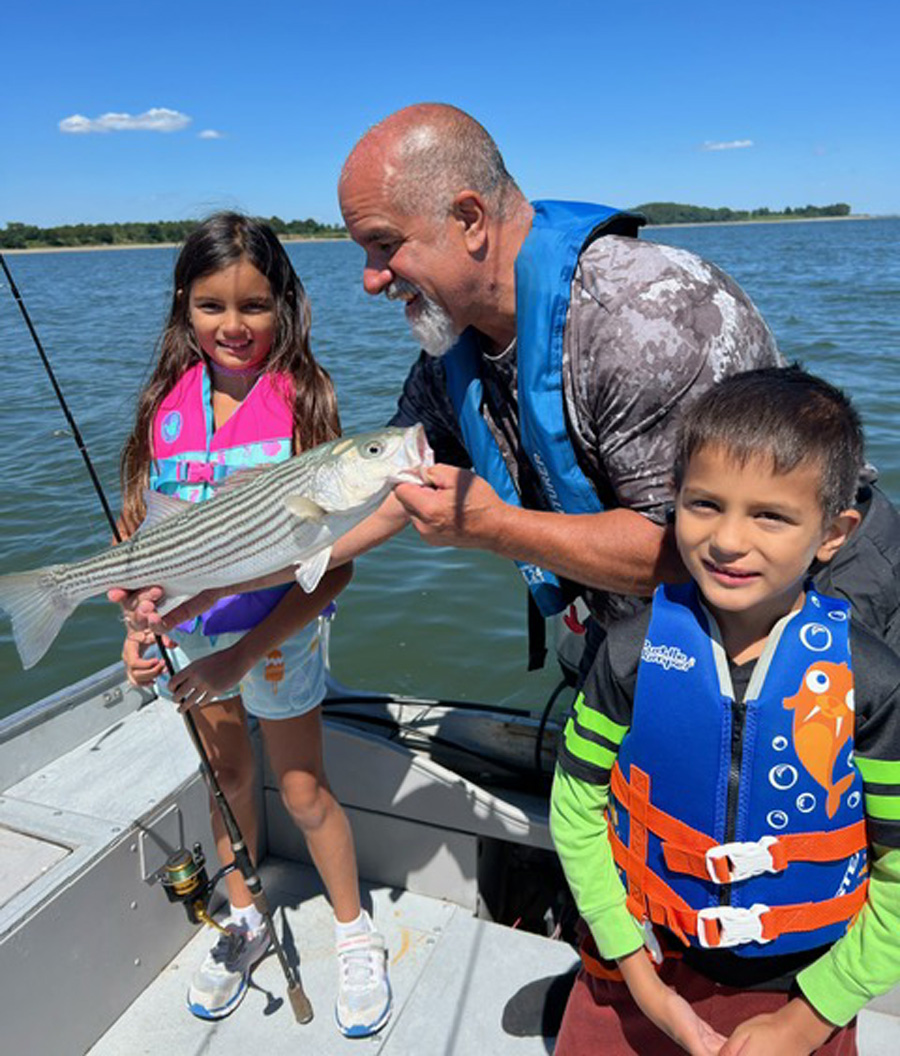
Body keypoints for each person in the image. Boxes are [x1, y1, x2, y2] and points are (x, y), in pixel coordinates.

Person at [550, 365, 900, 1055]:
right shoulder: (627, 653)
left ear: (834, 533)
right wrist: (639, 976)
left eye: (770, 515)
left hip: (803, 988)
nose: (729, 540)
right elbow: (575, 807)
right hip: (638, 960)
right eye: (704, 504)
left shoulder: (874, 684)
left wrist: (809, 1019)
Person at [116, 213, 392, 1036]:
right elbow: (145, 546)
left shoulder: (305, 402)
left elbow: (334, 561)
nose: (233, 327)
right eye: (210, 307)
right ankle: (244, 918)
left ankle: (352, 930)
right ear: (183, 310)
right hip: (189, 640)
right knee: (226, 780)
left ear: (286, 308)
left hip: (276, 639)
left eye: (255, 306)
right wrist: (139, 626)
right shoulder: (167, 405)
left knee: (302, 789)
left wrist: (244, 652)